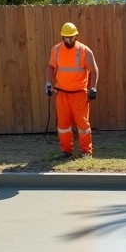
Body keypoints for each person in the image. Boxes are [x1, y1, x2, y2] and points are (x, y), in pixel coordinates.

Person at [46, 22, 100, 158]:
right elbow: (50, 67)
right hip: (61, 93)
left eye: (71, 37)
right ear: (62, 36)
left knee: (83, 124)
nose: (68, 40)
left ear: (76, 36)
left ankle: (86, 151)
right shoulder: (56, 50)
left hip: (79, 93)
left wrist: (93, 88)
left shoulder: (84, 51)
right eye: (65, 37)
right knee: (63, 125)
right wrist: (47, 83)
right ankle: (66, 151)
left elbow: (94, 70)